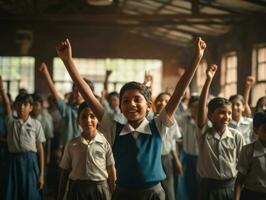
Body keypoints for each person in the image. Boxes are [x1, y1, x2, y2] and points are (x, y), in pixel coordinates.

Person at [55, 36, 206, 200]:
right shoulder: (113, 129)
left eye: (137, 100)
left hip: (153, 193)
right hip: (123, 193)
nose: (131, 104)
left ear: (149, 106)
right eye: (125, 101)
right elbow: (88, 95)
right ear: (120, 107)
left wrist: (197, 58)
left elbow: (178, 91)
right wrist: (68, 61)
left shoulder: (158, 125)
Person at [197, 64, 244, 200]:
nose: (227, 117)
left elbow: (241, 169)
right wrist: (208, 80)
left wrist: (237, 195)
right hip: (208, 188)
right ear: (210, 115)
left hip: (230, 187)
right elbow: (201, 108)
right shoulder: (204, 133)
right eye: (222, 113)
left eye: (229, 113)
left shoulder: (236, 136)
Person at [57, 101, 116, 200]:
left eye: (92, 116)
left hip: (100, 188)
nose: (88, 120)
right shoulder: (72, 144)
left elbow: (111, 171)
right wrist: (60, 196)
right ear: (78, 121)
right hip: (77, 189)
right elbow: (65, 171)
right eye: (84, 117)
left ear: (98, 120)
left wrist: (114, 194)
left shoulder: (105, 142)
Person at [0, 76, 46, 200]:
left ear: (31, 108)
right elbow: (6, 105)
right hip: (13, 162)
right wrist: (2, 90)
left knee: (30, 192)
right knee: (13, 192)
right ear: (15, 106)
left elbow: (40, 150)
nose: (21, 107)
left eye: (25, 105)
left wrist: (41, 174)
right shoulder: (11, 122)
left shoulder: (36, 124)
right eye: (19, 104)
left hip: (30, 161)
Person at [152, 92, 183, 200]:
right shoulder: (149, 119)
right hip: (152, 159)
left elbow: (172, 142)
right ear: (154, 103)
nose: (162, 103)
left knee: (168, 187)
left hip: (165, 158)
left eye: (166, 101)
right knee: (154, 189)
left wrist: (176, 160)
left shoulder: (172, 121)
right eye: (160, 100)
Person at [234, 111, 266, 200]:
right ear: (256, 130)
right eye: (265, 129)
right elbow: (239, 180)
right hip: (251, 195)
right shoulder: (248, 150)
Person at [176, 95, 201, 200]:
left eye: (199, 107)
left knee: (200, 186)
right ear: (189, 107)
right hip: (188, 158)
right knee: (187, 185)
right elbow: (172, 117)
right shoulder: (184, 119)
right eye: (193, 107)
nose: (196, 109)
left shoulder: (207, 121)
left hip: (202, 160)